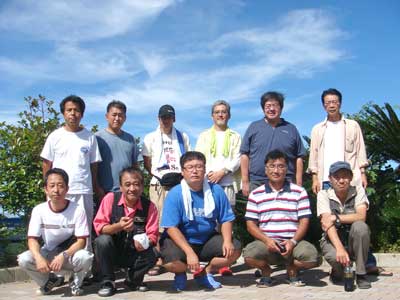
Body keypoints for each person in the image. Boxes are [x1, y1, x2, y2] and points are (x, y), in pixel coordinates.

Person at [160, 151, 241, 291]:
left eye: (199, 166)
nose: (195, 171)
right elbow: (171, 227)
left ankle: (205, 272)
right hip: (181, 241)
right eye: (190, 167)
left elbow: (226, 219)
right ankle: (180, 273)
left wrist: (227, 241)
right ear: (182, 171)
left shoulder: (216, 191)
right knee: (169, 262)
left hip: (206, 240)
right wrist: (189, 253)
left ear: (204, 169)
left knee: (234, 249)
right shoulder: (175, 193)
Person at [243, 150, 320, 287]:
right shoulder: (256, 194)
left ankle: (292, 269)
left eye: (281, 166)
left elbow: (304, 221)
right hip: (267, 243)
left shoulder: (299, 192)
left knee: (313, 258)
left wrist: (293, 241)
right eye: (272, 166)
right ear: (265, 169)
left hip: (293, 242)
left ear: (287, 169)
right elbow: (250, 225)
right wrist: (267, 241)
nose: (276, 170)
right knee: (249, 255)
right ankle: (266, 272)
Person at [18, 168, 93, 296]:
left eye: (60, 186)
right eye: (52, 186)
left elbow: (81, 241)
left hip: (69, 255)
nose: (56, 190)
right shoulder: (39, 210)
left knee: (85, 257)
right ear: (46, 189)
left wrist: (64, 255)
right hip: (48, 254)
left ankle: (76, 283)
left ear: (67, 189)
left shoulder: (77, 210)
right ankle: (48, 281)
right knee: (24, 259)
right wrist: (38, 257)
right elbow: (32, 239)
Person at [40, 95, 102, 246]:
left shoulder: (90, 137)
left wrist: (95, 186)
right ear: (63, 113)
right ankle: (55, 264)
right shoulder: (55, 136)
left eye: (76, 110)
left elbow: (94, 165)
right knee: (56, 230)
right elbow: (47, 163)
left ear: (82, 114)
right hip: (59, 191)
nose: (73, 113)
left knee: (84, 231)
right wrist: (48, 187)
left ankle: (85, 267)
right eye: (69, 110)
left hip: (83, 191)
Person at [93, 167, 158, 297]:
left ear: (141, 186)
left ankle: (132, 280)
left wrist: (145, 242)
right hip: (112, 251)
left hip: (133, 252)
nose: (132, 189)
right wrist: (118, 226)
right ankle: (108, 281)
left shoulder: (149, 206)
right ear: (121, 187)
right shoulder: (110, 199)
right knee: (102, 241)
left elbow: (153, 235)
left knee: (154, 253)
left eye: (136, 184)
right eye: (127, 185)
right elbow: (100, 228)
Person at [142, 104, 190, 275]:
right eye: (163, 117)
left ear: (174, 118)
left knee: (179, 221)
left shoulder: (182, 136)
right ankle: (157, 258)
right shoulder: (150, 138)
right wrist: (160, 177)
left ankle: (179, 256)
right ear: (158, 118)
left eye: (169, 117)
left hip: (178, 184)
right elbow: (147, 163)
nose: (166, 120)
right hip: (158, 184)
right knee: (157, 222)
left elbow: (186, 159)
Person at [195, 100, 241, 276]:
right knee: (208, 222)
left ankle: (225, 262)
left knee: (226, 222)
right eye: (217, 112)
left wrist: (223, 171)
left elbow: (238, 158)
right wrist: (207, 175)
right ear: (212, 115)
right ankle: (206, 260)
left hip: (227, 183)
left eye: (223, 112)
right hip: (207, 184)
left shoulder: (235, 136)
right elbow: (198, 157)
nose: (221, 115)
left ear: (228, 115)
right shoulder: (204, 135)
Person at [317, 161, 371, 289]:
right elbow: (326, 223)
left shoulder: (358, 191)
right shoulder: (323, 194)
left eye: (345, 176)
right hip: (332, 240)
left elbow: (361, 216)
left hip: (353, 238)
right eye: (337, 177)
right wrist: (340, 249)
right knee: (336, 259)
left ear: (351, 177)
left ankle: (361, 274)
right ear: (330, 179)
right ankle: (337, 271)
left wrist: (335, 218)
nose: (341, 180)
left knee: (361, 227)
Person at [240, 91, 306, 197]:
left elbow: (299, 157)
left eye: (275, 105)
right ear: (263, 108)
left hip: (286, 182)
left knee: (286, 213)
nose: (271, 109)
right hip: (257, 181)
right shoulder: (254, 127)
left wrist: (298, 183)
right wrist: (245, 181)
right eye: (268, 106)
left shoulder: (291, 128)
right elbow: (244, 155)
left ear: (281, 108)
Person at [308, 88, 369, 194]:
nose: (331, 106)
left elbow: (360, 151)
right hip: (326, 181)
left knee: (353, 210)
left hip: (350, 179)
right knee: (328, 210)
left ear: (340, 104)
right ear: (324, 106)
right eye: (328, 103)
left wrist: (363, 174)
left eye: (334, 102)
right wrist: (315, 179)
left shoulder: (352, 125)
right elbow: (314, 155)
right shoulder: (317, 129)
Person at [95, 100, 139, 199]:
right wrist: (97, 188)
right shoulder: (97, 138)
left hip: (127, 193)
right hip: (105, 193)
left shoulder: (130, 139)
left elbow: (135, 166)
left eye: (120, 115)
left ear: (125, 118)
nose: (117, 118)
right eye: (114, 115)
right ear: (107, 116)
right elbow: (93, 167)